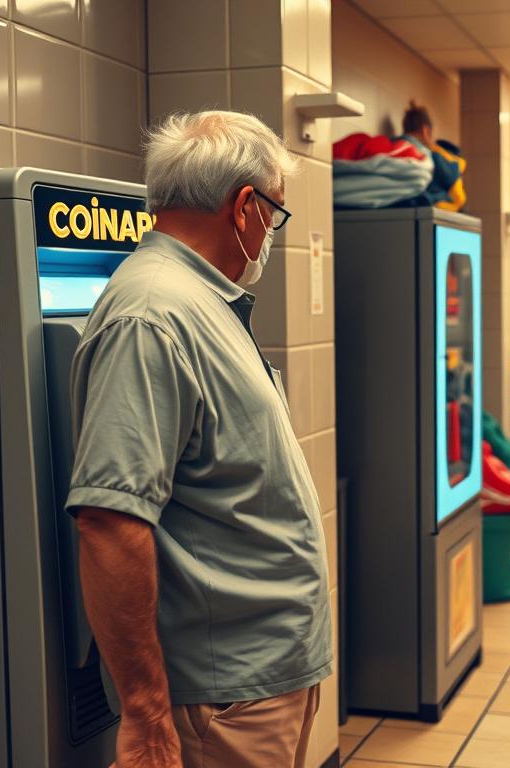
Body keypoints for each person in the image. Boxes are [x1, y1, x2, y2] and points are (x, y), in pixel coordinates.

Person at [65, 110, 332, 768]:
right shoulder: (151, 315)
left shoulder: (202, 301)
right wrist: (147, 713)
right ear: (245, 208)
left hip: (262, 675)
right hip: (220, 699)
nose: (270, 232)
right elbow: (108, 521)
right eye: (275, 213)